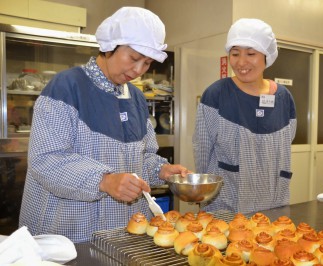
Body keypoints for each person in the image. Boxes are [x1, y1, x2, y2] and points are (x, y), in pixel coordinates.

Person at [19, 7, 189, 243]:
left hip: (120, 231)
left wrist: (162, 170)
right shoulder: (66, 87)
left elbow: (143, 158)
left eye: (147, 63)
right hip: (69, 230)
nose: (138, 70)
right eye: (133, 58)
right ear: (110, 46)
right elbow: (45, 160)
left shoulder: (137, 99)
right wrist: (104, 180)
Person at [193, 18, 297, 214]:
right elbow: (203, 151)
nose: (241, 62)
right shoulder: (216, 94)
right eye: (235, 53)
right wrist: (202, 193)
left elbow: (287, 140)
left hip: (273, 204)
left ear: (266, 55)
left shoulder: (284, 98)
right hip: (226, 204)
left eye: (250, 53)